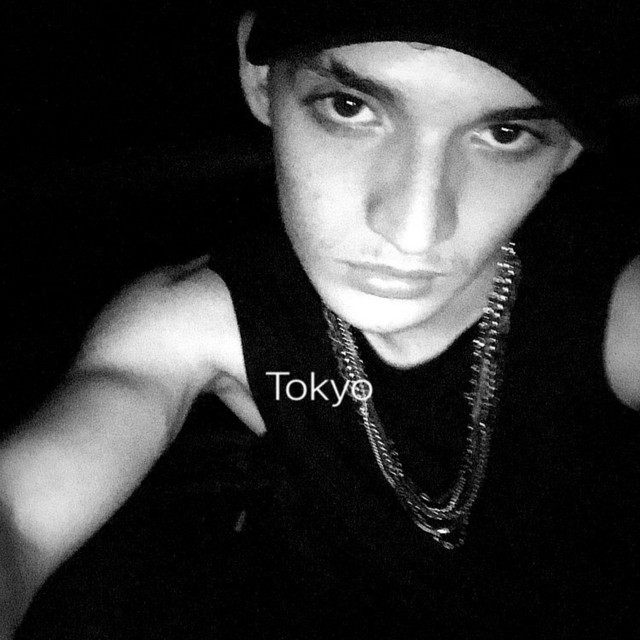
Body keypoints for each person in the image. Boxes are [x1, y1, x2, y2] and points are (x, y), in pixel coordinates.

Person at [2, 0, 640, 637]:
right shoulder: (200, 319)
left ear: (569, 144)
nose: (414, 230)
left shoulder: (617, 305)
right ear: (260, 77)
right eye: (349, 106)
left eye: (505, 135)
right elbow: (19, 514)